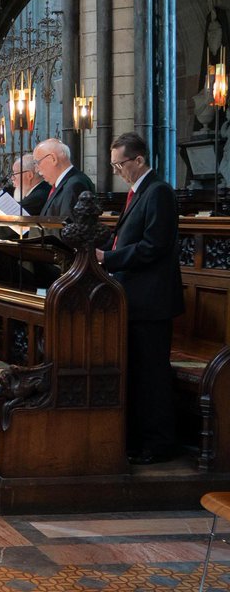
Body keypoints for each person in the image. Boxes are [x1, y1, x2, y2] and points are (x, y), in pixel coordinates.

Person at [96, 132, 183, 465]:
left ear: (139, 160)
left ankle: (159, 444)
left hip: (152, 301)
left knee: (152, 375)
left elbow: (154, 246)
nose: (117, 171)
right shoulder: (137, 192)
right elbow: (125, 237)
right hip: (134, 299)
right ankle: (137, 440)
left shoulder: (158, 191)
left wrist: (110, 258)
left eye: (120, 164)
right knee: (137, 372)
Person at [33, 138, 95, 219]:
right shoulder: (66, 183)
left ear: (53, 159)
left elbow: (68, 227)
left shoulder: (74, 185)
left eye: (38, 162)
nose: (36, 169)